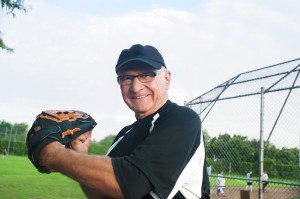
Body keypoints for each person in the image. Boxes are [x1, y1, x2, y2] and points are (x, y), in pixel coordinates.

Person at [33, 44, 210, 198]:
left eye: (146, 75)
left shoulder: (182, 120)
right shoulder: (124, 134)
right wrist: (81, 153)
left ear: (167, 78)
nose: (135, 86)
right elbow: (101, 195)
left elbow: (133, 182)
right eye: (126, 78)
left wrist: (53, 155)